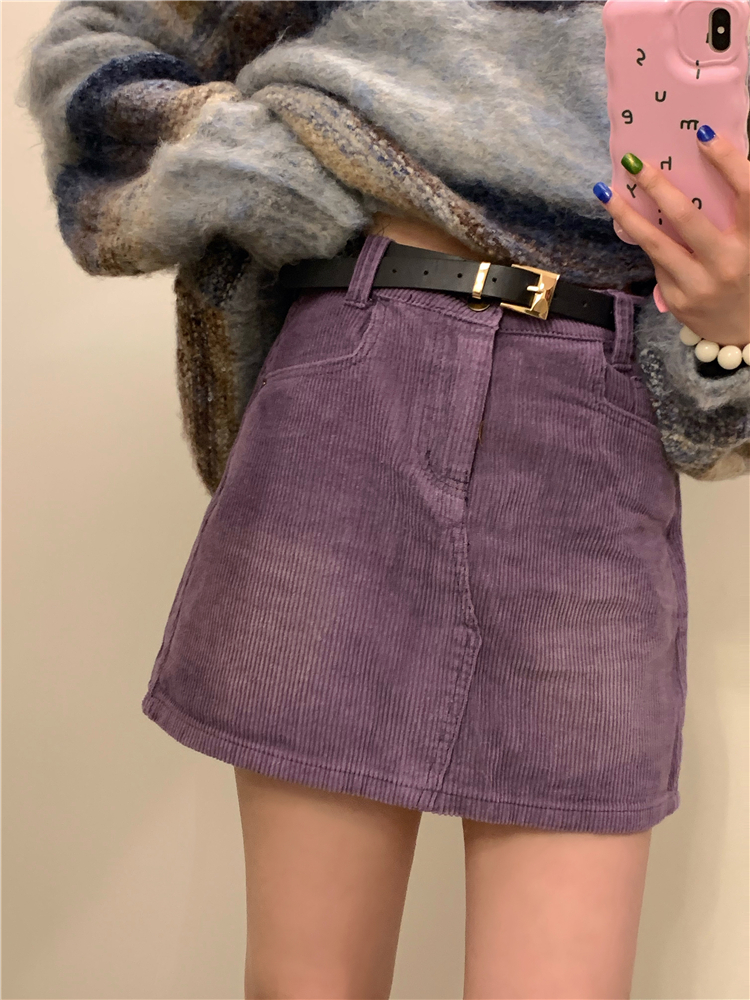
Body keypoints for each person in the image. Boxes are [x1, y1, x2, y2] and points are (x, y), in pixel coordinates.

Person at [20, 2, 749, 997]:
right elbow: (95, 52)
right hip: (354, 398)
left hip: (594, 441)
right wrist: (254, 166)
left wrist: (731, 322)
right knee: (307, 985)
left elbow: (719, 405)